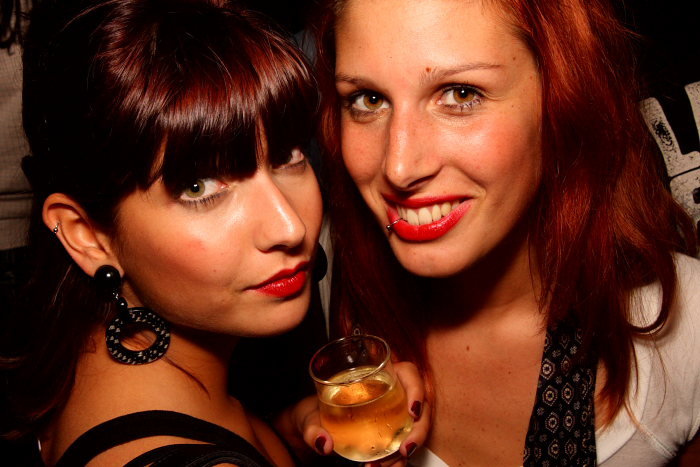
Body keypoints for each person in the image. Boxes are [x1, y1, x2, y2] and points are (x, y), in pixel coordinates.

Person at [310, 0, 700, 465]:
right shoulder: (328, 268)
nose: (398, 166)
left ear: (564, 102)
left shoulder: (687, 332)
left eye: (460, 94)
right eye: (368, 100)